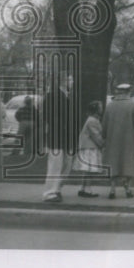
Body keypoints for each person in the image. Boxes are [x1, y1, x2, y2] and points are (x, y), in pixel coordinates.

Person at [102, 83, 134, 198]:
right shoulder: (133, 106)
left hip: (112, 140)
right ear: (128, 92)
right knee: (128, 164)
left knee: (113, 163)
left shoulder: (110, 106)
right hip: (129, 141)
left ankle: (112, 190)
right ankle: (127, 188)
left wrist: (105, 136)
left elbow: (104, 126)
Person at [42, 71, 77, 203]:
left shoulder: (66, 96)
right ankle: (50, 192)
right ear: (62, 81)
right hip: (57, 136)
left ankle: (57, 189)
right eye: (70, 80)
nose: (72, 82)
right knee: (55, 165)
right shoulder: (53, 96)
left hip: (66, 137)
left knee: (66, 164)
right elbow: (47, 115)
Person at [75, 101, 105, 197]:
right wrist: (103, 144)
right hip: (90, 148)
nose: (102, 109)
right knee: (89, 170)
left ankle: (82, 188)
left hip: (88, 147)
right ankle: (88, 189)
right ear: (96, 110)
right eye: (100, 107)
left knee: (87, 169)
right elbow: (95, 135)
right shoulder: (92, 121)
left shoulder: (93, 119)